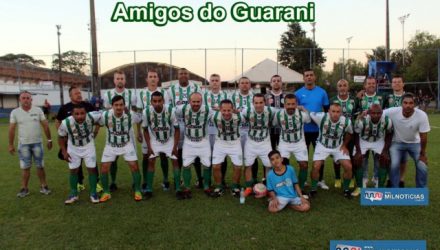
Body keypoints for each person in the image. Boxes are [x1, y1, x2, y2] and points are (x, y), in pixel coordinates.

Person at [98, 95, 143, 202]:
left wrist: (139, 131)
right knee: (104, 167)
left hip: (126, 144)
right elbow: (97, 122)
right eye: (116, 105)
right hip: (111, 145)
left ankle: (137, 190)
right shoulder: (105, 115)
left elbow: (140, 119)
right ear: (112, 106)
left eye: (121, 105)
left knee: (134, 166)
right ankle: (106, 192)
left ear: (124, 105)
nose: (119, 107)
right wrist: (95, 132)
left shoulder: (130, 115)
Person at [56, 86, 100, 192]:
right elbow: (58, 121)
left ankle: (97, 183)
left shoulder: (87, 106)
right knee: (75, 162)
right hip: (72, 141)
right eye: (76, 93)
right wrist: (64, 134)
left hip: (87, 141)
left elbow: (98, 118)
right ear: (70, 96)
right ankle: (79, 183)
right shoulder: (65, 108)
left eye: (79, 93)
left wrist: (95, 132)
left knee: (92, 163)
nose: (79, 95)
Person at [9, 91, 52, 197]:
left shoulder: (38, 110)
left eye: (28, 98)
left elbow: (45, 125)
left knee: (40, 166)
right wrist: (10, 144)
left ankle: (44, 186)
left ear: (31, 99)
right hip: (23, 144)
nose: (26, 100)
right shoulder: (15, 112)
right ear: (20, 100)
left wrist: (49, 140)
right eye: (23, 98)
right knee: (25, 167)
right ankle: (24, 188)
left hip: (37, 143)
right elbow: (12, 129)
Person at [102, 70, 140, 192]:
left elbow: (136, 114)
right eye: (117, 78)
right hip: (112, 130)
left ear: (125, 80)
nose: (120, 80)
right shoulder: (107, 95)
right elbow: (106, 113)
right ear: (114, 80)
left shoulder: (131, 95)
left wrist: (138, 131)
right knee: (113, 159)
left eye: (122, 78)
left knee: (133, 158)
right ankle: (113, 182)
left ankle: (135, 182)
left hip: (128, 132)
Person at [383, 93, 430, 188]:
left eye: (411, 103)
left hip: (415, 144)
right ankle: (395, 190)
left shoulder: (422, 115)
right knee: (394, 164)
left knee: (422, 166)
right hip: (397, 143)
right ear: (401, 104)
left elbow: (424, 137)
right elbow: (378, 112)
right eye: (405, 103)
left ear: (414, 104)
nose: (408, 105)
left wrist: (423, 154)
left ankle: (420, 192)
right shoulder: (393, 112)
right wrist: (365, 113)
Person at [167, 68, 204, 188]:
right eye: (181, 74)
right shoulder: (171, 90)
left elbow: (202, 105)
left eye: (185, 74)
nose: (183, 75)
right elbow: (167, 107)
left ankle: (200, 179)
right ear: (178, 76)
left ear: (189, 75)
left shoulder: (196, 88)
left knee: (196, 151)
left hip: (193, 124)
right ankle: (180, 178)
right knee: (178, 152)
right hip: (177, 125)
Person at [142, 92, 182, 200]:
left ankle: (178, 189)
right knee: (151, 161)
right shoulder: (146, 112)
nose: (157, 103)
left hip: (169, 139)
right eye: (154, 101)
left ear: (163, 101)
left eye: (159, 101)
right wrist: (149, 147)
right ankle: (149, 190)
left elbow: (177, 129)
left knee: (174, 160)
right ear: (151, 102)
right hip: (155, 140)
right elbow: (145, 130)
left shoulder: (170, 110)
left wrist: (174, 146)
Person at [58, 103, 101, 204]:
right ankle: (73, 193)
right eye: (76, 114)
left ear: (86, 113)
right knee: (73, 170)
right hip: (73, 147)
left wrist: (96, 131)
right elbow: (60, 137)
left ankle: (93, 193)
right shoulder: (65, 123)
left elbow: (104, 115)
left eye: (82, 113)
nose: (80, 116)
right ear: (72, 114)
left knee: (92, 169)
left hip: (88, 146)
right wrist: (64, 152)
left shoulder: (92, 116)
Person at [309, 103, 353, 198]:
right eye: (333, 111)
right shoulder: (322, 117)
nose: (335, 114)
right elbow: (310, 114)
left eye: (338, 112)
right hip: (322, 145)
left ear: (341, 113)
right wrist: (302, 108)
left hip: (338, 146)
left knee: (348, 166)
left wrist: (344, 145)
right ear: (329, 111)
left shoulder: (346, 121)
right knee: (316, 166)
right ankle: (313, 189)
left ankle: (346, 189)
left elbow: (350, 133)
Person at [136, 69, 171, 192]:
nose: (152, 78)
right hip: (147, 130)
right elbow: (140, 114)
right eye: (150, 76)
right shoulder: (141, 93)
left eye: (154, 76)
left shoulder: (164, 93)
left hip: (162, 129)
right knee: (146, 156)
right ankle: (145, 181)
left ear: (158, 79)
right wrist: (138, 131)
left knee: (163, 155)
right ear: (147, 79)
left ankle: (166, 180)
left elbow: (167, 111)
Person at [295, 69, 330, 190]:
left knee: (320, 156)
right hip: (303, 131)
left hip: (318, 131)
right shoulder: (298, 93)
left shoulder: (322, 92)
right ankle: (303, 180)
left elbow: (327, 111)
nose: (309, 77)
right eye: (306, 75)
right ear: (303, 78)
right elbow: (294, 111)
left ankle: (320, 180)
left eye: (311, 75)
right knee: (302, 157)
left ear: (315, 77)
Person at [175, 92, 214, 198]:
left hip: (203, 142)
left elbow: (219, 116)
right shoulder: (182, 109)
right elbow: (171, 114)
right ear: (189, 101)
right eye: (193, 101)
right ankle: (187, 188)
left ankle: (206, 187)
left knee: (207, 165)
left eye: (198, 102)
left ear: (202, 101)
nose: (196, 104)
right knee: (186, 165)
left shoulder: (208, 110)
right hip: (189, 142)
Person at [272, 94, 310, 193]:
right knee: (280, 165)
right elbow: (275, 123)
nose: (290, 106)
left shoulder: (302, 115)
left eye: (293, 104)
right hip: (284, 143)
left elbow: (309, 119)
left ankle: (300, 189)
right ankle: (284, 187)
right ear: (284, 105)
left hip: (299, 143)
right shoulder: (279, 115)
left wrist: (304, 109)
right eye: (288, 104)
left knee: (304, 165)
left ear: (296, 104)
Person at [241, 94, 275, 196]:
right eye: (256, 103)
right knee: (248, 165)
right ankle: (248, 187)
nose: (259, 105)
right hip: (251, 142)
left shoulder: (271, 110)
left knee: (269, 165)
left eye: (261, 102)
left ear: (265, 103)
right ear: (253, 103)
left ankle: (269, 188)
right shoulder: (246, 111)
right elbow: (240, 119)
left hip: (265, 142)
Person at [353, 104, 392, 192]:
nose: (376, 115)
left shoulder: (387, 120)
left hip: (378, 140)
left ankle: (380, 186)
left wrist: (385, 151)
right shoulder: (361, 120)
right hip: (363, 140)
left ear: (382, 112)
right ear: (369, 112)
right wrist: (358, 151)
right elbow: (355, 135)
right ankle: (360, 187)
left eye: (378, 113)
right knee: (357, 159)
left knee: (384, 158)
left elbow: (389, 134)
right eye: (373, 113)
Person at [356, 76, 386, 186]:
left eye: (373, 83)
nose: (371, 85)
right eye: (369, 83)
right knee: (363, 157)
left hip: (378, 133)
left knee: (378, 157)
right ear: (364, 85)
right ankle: (364, 178)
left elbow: (386, 112)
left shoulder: (382, 97)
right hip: (363, 133)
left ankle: (376, 177)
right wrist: (361, 115)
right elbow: (355, 112)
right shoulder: (359, 98)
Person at [210, 99, 244, 197]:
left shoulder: (239, 117)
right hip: (220, 142)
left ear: (232, 109)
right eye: (224, 110)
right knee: (216, 166)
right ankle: (219, 187)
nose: (226, 113)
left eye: (229, 110)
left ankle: (235, 187)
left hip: (235, 142)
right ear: (220, 109)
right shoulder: (214, 117)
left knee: (237, 166)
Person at [231, 77, 259, 183]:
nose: (244, 85)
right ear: (239, 85)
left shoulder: (254, 97)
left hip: (251, 130)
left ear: (250, 84)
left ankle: (253, 179)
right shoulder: (233, 96)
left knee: (252, 155)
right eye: (242, 83)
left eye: (247, 83)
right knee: (237, 156)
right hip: (237, 130)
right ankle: (236, 181)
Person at [330, 79, 357, 189]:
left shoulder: (354, 100)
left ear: (348, 87)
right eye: (340, 86)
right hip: (336, 133)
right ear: (337, 88)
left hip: (350, 133)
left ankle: (350, 178)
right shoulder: (332, 100)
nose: (342, 88)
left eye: (344, 85)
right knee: (336, 157)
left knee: (351, 156)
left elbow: (356, 115)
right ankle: (337, 178)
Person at [204, 73, 229, 187]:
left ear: (220, 82)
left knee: (222, 156)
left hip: (221, 131)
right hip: (207, 131)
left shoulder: (226, 96)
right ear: (209, 82)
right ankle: (207, 180)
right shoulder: (204, 96)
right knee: (207, 156)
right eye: (212, 80)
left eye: (216, 80)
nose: (214, 82)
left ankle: (222, 180)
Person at [384, 75, 407, 187]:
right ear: (391, 84)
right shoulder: (387, 97)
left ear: (403, 84)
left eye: (399, 82)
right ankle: (390, 178)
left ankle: (401, 179)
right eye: (394, 82)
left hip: (405, 132)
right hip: (390, 132)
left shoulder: (409, 97)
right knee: (389, 157)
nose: (397, 84)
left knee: (403, 159)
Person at [265, 75, 286, 150]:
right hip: (269, 131)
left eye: (278, 81)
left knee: (284, 153)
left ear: (281, 83)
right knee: (271, 153)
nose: (276, 82)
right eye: (274, 81)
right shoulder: (265, 97)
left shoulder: (286, 96)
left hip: (284, 130)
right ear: (270, 83)